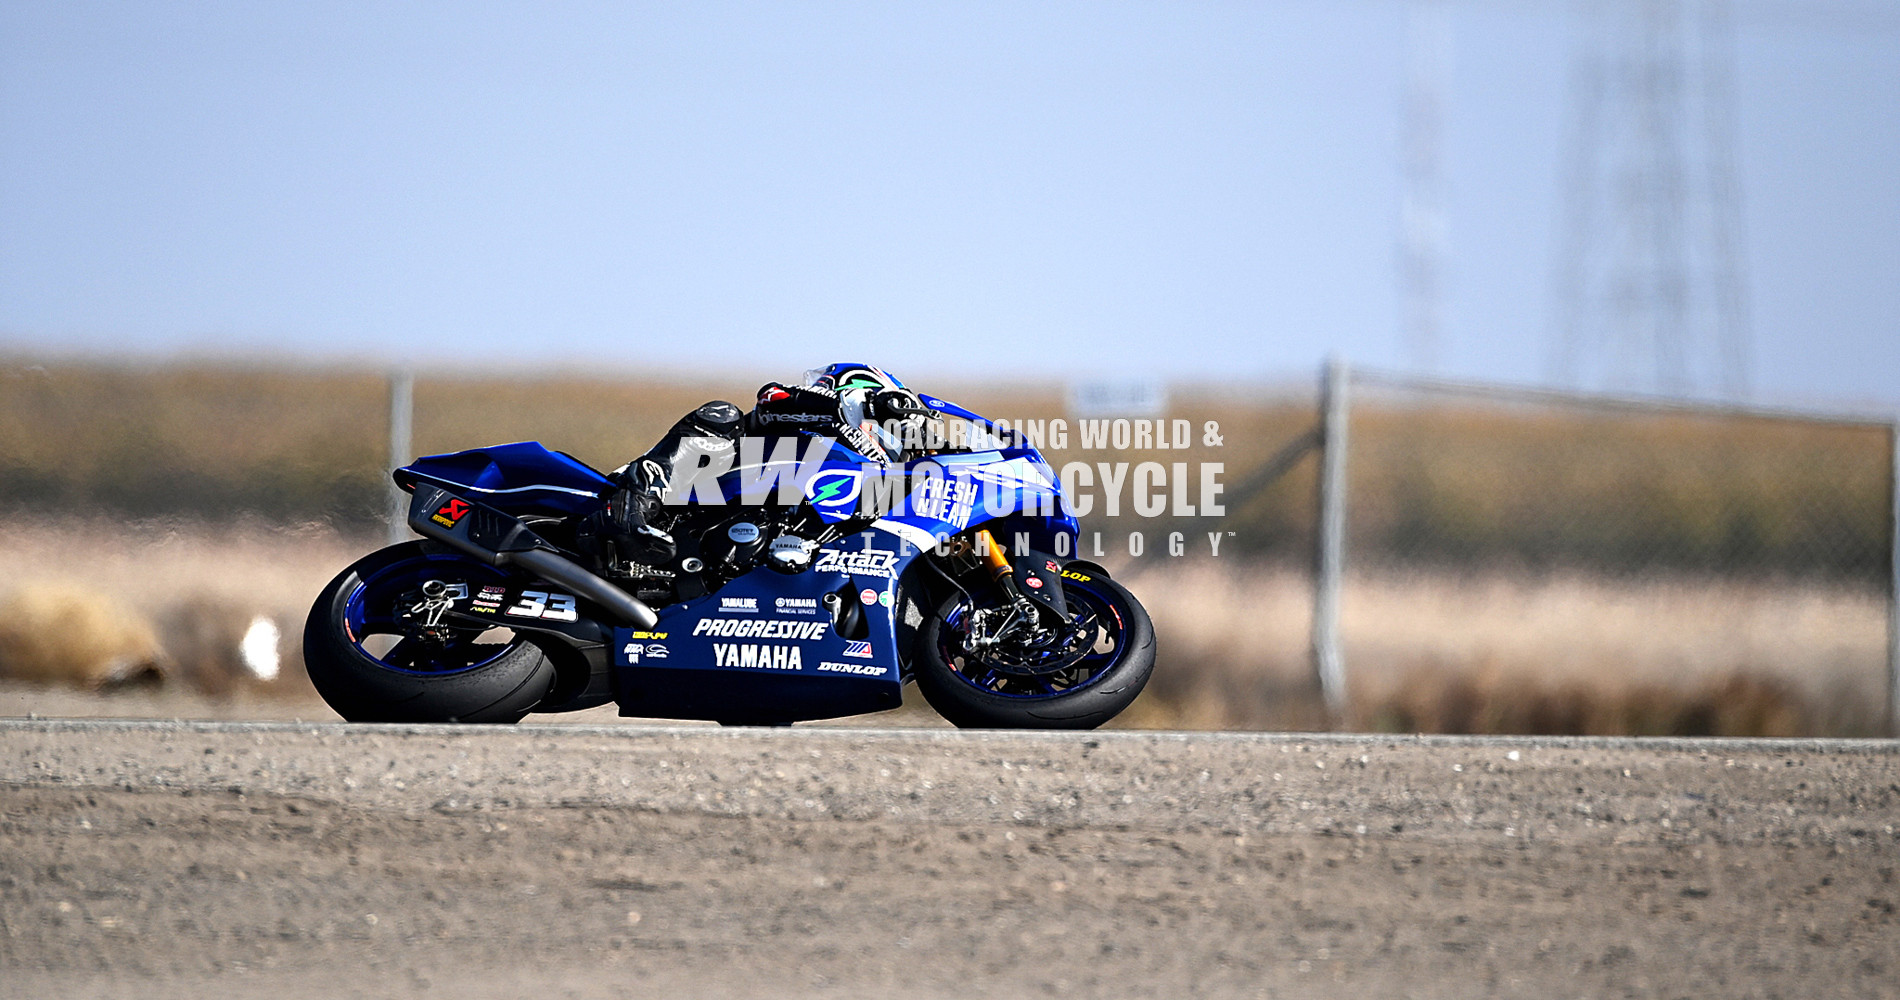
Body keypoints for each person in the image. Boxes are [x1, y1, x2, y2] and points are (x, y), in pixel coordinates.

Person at [590, 363, 937, 567]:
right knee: (722, 416)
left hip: (713, 546)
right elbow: (770, 398)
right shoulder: (795, 426)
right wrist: (837, 413)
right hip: (662, 497)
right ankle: (632, 503)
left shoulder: (845, 481)